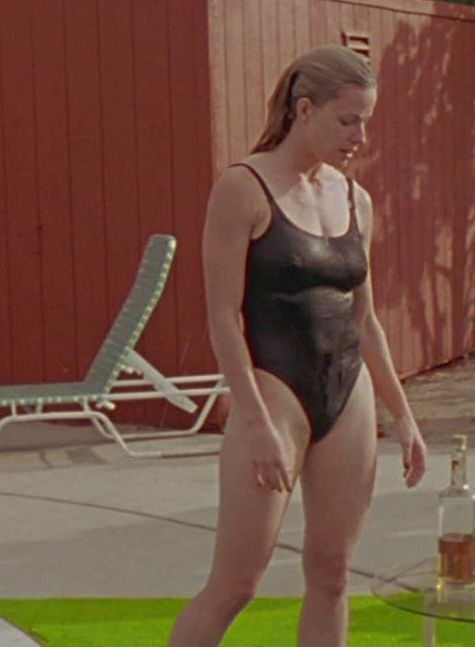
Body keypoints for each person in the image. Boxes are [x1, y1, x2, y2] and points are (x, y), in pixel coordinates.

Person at [168, 45, 428, 647]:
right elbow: (223, 318)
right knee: (236, 585)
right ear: (304, 110)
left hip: (346, 393)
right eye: (348, 120)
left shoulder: (355, 199)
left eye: (366, 120)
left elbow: (365, 318)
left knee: (333, 575)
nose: (360, 136)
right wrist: (255, 423)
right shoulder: (243, 188)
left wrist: (404, 416)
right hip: (274, 395)